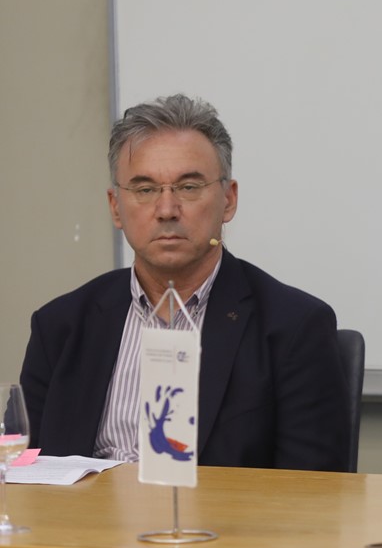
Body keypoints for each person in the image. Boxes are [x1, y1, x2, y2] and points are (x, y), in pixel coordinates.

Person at [21, 94, 351, 471]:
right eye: (145, 190)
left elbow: (315, 489)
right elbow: (24, 466)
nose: (166, 210)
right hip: (84, 512)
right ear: (116, 207)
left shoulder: (294, 328)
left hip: (221, 511)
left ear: (228, 200)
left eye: (188, 187)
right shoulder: (60, 326)